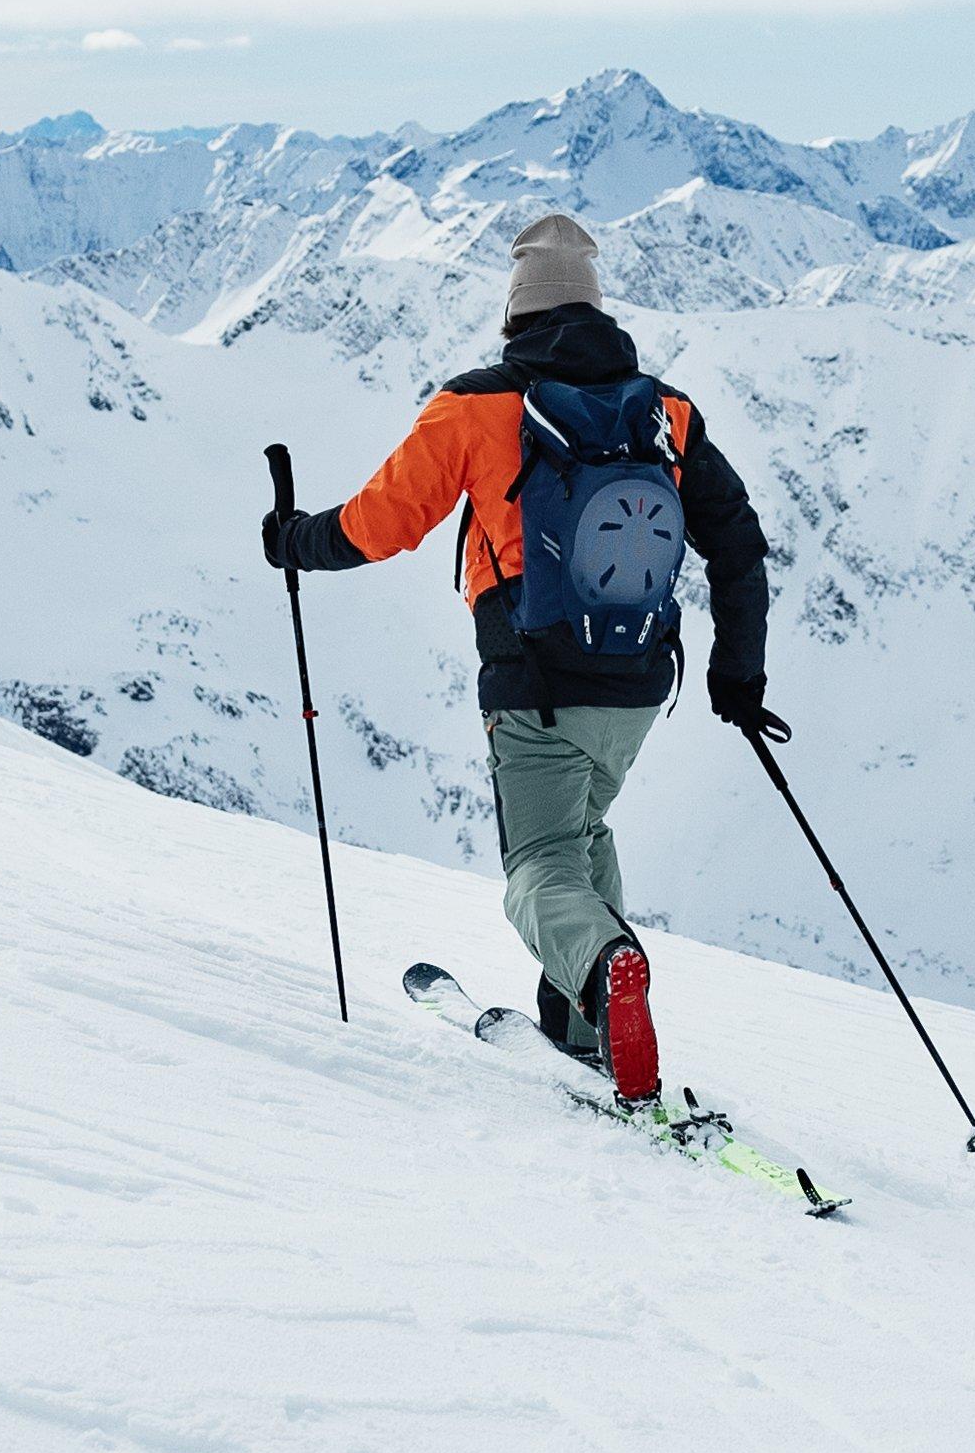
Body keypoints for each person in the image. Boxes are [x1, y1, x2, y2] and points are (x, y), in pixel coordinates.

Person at [265, 212, 775, 1104]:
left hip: (534, 683)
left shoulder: (476, 405)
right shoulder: (667, 412)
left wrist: (293, 540)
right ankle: (586, 1030)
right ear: (596, 307)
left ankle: (606, 969)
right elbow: (736, 542)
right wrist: (738, 675)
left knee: (537, 864)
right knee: (583, 830)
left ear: (515, 315)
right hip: (639, 685)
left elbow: (379, 525)